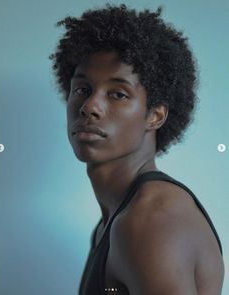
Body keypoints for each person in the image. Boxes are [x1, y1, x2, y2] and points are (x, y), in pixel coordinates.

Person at [49, 4, 224, 294]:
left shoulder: (150, 220)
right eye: (82, 89)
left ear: (155, 115)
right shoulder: (115, 219)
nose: (89, 106)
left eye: (118, 94)